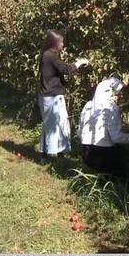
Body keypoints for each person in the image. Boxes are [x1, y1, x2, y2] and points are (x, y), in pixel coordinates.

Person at [38, 29, 89, 162]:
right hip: (52, 97)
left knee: (50, 125)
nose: (62, 44)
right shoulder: (50, 56)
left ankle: (48, 153)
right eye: (60, 42)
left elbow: (56, 72)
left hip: (47, 96)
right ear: (54, 42)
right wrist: (80, 62)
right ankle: (50, 156)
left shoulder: (45, 55)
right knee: (56, 126)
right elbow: (65, 69)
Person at [78, 78, 129, 177]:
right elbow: (116, 137)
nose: (120, 96)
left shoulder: (88, 105)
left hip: (86, 154)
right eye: (119, 93)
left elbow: (80, 131)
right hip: (104, 156)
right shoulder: (111, 108)